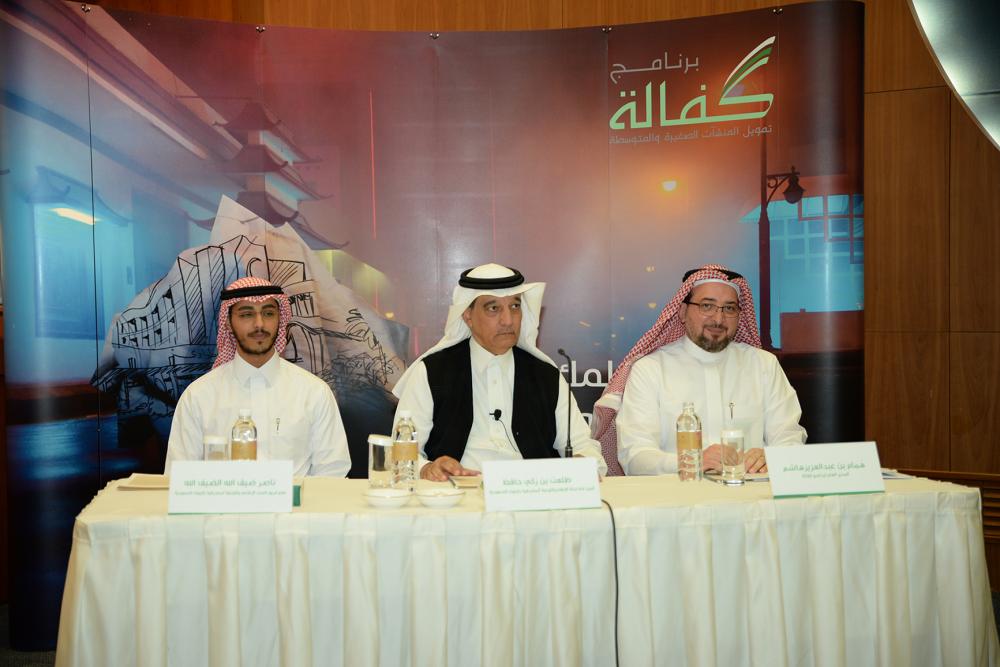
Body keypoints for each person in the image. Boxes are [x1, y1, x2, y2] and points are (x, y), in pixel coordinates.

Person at [392, 263, 608, 480]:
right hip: (458, 497)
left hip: (531, 496)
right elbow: (400, 455)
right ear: (468, 316)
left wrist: (581, 461)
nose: (508, 320)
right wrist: (425, 468)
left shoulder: (545, 376)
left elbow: (583, 446)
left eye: (515, 307)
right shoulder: (431, 372)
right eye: (493, 308)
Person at [592, 264, 805, 476]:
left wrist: (771, 456)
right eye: (706, 306)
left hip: (751, 500)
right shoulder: (650, 370)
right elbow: (636, 457)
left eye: (729, 308)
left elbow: (789, 438)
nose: (718, 319)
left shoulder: (764, 365)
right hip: (677, 502)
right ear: (683, 312)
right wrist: (691, 462)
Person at [165, 276, 351, 476]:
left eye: (269, 313)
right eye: (246, 314)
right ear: (228, 322)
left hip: (296, 507)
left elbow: (332, 472)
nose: (259, 324)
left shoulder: (313, 392)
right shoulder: (199, 396)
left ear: (280, 320)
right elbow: (179, 477)